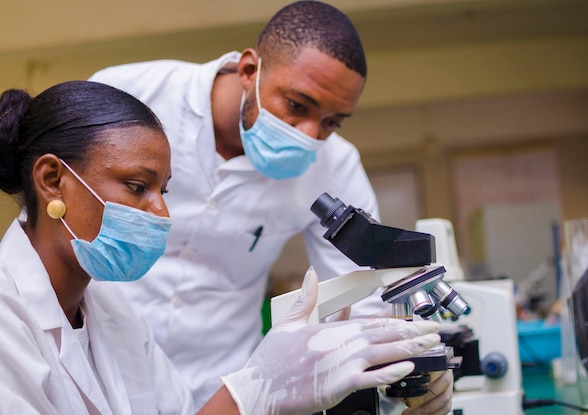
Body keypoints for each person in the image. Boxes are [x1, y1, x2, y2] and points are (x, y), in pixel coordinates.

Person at [89, 1, 453, 413]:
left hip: (228, 386)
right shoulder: (129, 95)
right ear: (249, 70)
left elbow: (362, 289)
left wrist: (404, 364)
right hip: (99, 371)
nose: (310, 135)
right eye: (297, 106)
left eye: (332, 122)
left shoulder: (333, 164)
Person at [0, 79, 444, 415]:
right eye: (137, 187)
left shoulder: (115, 312)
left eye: (164, 191)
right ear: (52, 180)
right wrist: (251, 391)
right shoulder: (6, 318)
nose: (161, 214)